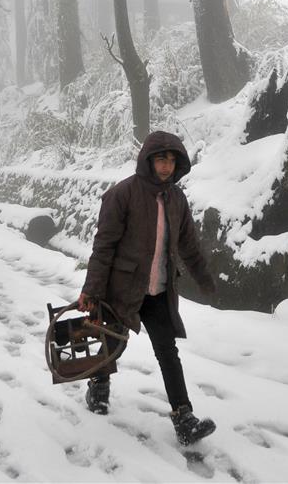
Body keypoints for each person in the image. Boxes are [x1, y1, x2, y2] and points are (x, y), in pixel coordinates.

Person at [78, 130, 217, 445]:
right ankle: (98, 387)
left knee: (168, 352)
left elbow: (189, 245)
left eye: (171, 160)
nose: (166, 166)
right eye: (160, 159)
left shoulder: (176, 199)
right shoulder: (123, 194)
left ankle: (184, 418)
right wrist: (92, 290)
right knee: (115, 344)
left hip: (159, 291)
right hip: (123, 289)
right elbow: (104, 246)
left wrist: (204, 277)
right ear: (148, 161)